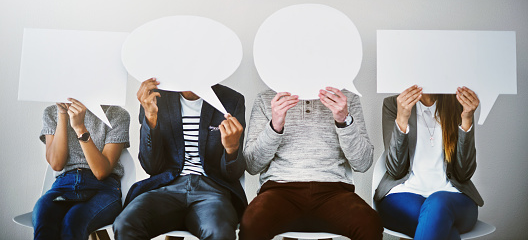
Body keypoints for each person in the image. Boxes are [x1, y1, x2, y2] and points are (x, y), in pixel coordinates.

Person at [240, 87, 383, 240]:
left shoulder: (346, 98)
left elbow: (363, 163)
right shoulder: (266, 98)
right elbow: (252, 165)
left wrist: (344, 121)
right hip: (279, 190)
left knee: (369, 223)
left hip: (333, 192)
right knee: (251, 223)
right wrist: (274, 126)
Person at [113, 78, 246, 240]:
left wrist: (232, 149)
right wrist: (151, 118)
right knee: (125, 223)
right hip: (167, 188)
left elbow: (233, 175)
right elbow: (151, 167)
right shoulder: (156, 98)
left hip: (212, 192)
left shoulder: (231, 100)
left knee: (219, 232)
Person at [374, 85, 483, 240]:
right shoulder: (393, 104)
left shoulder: (459, 103)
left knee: (437, 205)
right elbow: (395, 170)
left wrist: (467, 119)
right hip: (403, 196)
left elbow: (464, 174)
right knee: (440, 223)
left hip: (453, 197)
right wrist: (402, 119)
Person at [32, 98, 130, 240]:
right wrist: (62, 115)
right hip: (63, 186)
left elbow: (101, 172)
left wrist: (80, 128)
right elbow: (56, 163)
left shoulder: (116, 114)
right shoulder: (51, 113)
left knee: (72, 223)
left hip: (102, 188)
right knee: (44, 221)